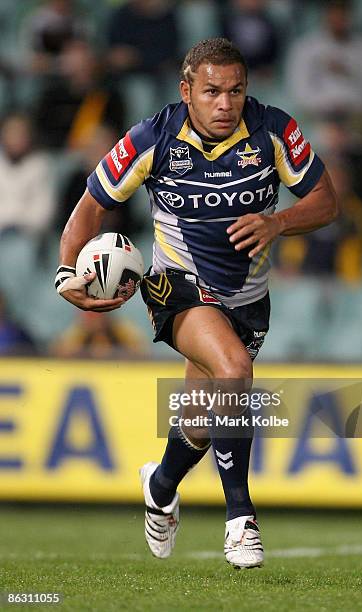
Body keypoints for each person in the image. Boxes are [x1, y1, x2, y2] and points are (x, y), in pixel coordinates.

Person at [55, 38, 337, 568]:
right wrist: (66, 274)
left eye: (235, 91)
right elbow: (89, 209)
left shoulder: (275, 130)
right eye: (212, 92)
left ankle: (159, 487)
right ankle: (241, 520)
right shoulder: (152, 138)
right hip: (175, 285)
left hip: (247, 300)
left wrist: (278, 222)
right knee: (233, 370)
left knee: (202, 422)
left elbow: (327, 200)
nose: (225, 104)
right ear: (187, 91)